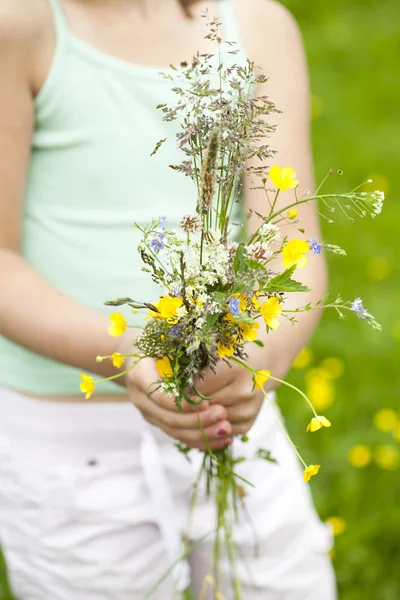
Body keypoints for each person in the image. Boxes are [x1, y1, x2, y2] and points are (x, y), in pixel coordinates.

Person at [0, 0, 337, 598]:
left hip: (228, 412)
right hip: (70, 450)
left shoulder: (257, 25)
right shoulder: (22, 24)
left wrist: (261, 360)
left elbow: (289, 242)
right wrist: (131, 353)